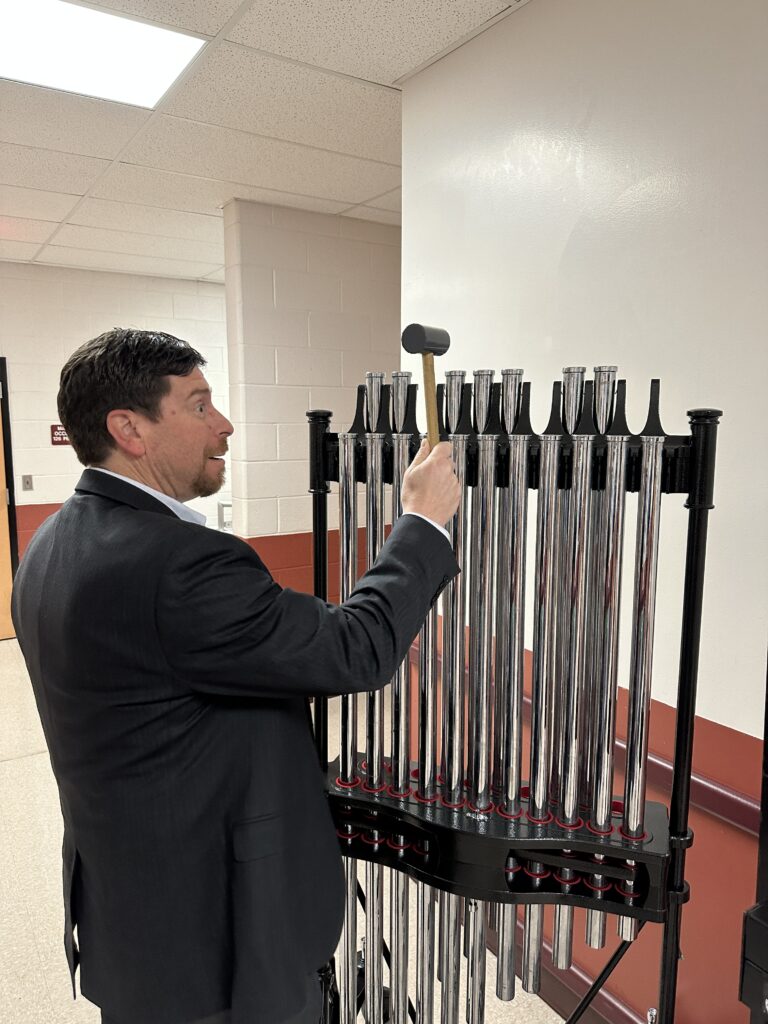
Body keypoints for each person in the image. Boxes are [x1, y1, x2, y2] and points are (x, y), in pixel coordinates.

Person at [11, 328, 461, 1024]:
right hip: (215, 948)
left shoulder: (50, 543)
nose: (223, 424)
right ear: (129, 428)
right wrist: (422, 522)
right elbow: (356, 647)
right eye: (198, 405)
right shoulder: (179, 563)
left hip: (134, 925)